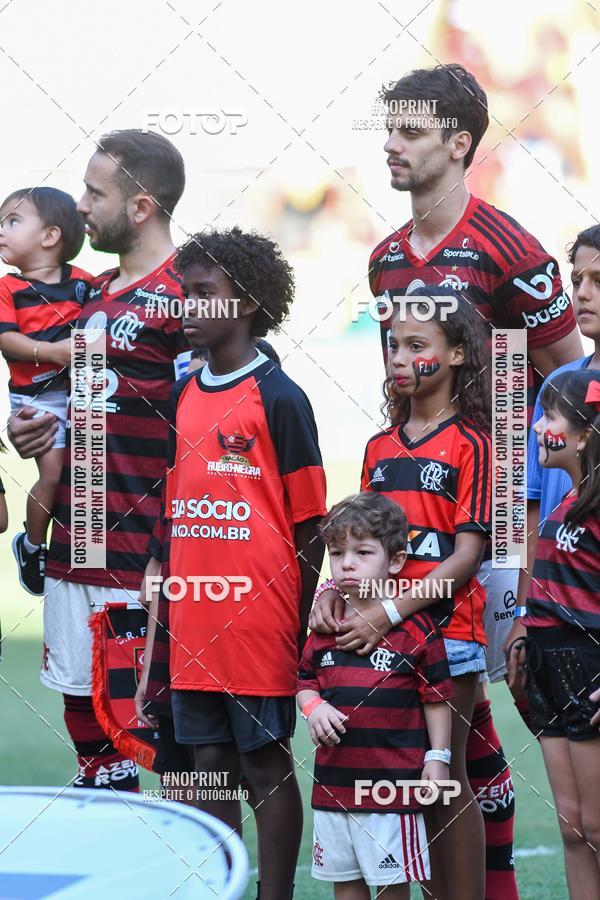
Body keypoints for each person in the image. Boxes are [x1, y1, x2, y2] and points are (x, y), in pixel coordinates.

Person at [366, 62, 584, 897]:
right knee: (446, 724)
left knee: (530, 713)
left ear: (459, 144)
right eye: (389, 129)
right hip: (420, 519)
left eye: (410, 132)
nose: (391, 145)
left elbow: (574, 384)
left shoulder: (510, 251)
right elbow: (399, 391)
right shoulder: (386, 260)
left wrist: (536, 520)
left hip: (496, 527)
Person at [138, 226, 327, 900]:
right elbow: (175, 508)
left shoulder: (280, 397)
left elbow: (311, 526)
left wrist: (296, 624)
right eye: (183, 293)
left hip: (258, 621)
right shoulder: (184, 394)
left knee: (263, 766)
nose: (186, 306)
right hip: (193, 618)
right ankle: (224, 887)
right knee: (208, 763)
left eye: (202, 293)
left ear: (245, 303)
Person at [6, 129, 187, 792]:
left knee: (163, 736)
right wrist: (29, 428)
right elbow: (65, 393)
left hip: (145, 549)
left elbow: (219, 417)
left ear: (140, 207)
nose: (80, 205)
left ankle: (189, 854)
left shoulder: (189, 294)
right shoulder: (90, 295)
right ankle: (120, 844)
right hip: (76, 539)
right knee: (88, 732)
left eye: (94, 193)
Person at [312, 290, 491, 899]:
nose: (399, 357)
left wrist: (389, 612)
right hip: (378, 636)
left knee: (443, 780)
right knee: (395, 780)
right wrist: (331, 591)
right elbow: (352, 537)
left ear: (457, 355)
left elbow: (468, 556)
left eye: (417, 346)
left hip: (448, 634)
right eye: (393, 345)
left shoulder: (474, 443)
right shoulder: (378, 447)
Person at [298, 492, 453, 899]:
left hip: (390, 792)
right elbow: (304, 680)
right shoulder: (326, 625)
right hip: (332, 789)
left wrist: (438, 758)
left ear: (396, 561)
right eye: (337, 553)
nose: (347, 563)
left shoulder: (416, 630)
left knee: (390, 889)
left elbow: (437, 698)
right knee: (346, 885)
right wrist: (313, 707)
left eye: (362, 552)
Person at [505, 225, 600, 698]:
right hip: (554, 621)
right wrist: (524, 614)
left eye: (598, 281)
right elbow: (531, 510)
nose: (582, 293)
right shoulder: (557, 384)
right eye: (577, 279)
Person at [518, 369, 600, 900]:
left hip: (587, 671)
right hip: (546, 670)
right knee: (573, 829)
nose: (536, 428)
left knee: (597, 826)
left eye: (548, 417)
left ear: (584, 435)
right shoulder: (567, 501)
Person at [0, 187, 91, 594]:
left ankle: (79, 550)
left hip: (82, 397)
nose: (1, 230)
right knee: (53, 475)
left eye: (12, 221)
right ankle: (33, 545)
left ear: (51, 236)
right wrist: (51, 352)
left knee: (79, 478)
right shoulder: (8, 288)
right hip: (37, 399)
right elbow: (6, 339)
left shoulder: (85, 284)